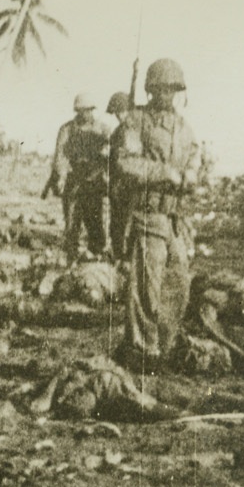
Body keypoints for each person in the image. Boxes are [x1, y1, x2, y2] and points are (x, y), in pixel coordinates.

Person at [112, 59, 200, 371]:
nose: (167, 95)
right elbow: (126, 162)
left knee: (178, 283)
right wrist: (165, 172)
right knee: (146, 287)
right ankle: (141, 350)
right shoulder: (137, 122)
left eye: (173, 89)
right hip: (148, 214)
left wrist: (190, 174)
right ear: (151, 90)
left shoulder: (184, 127)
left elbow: (194, 157)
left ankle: (162, 345)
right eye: (162, 89)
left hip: (175, 217)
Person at [52, 93, 112, 262]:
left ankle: (96, 255)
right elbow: (61, 157)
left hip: (94, 182)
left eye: (89, 110)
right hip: (74, 180)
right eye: (82, 111)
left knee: (95, 220)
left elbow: (110, 157)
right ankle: (72, 256)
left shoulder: (102, 129)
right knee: (72, 221)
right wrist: (61, 177)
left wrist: (104, 173)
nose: (86, 114)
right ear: (77, 111)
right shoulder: (67, 129)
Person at [106, 90, 135, 260]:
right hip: (118, 185)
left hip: (132, 185)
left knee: (130, 224)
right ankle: (119, 256)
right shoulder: (117, 132)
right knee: (116, 224)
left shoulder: (137, 129)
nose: (118, 116)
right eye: (116, 113)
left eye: (121, 112)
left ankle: (128, 257)